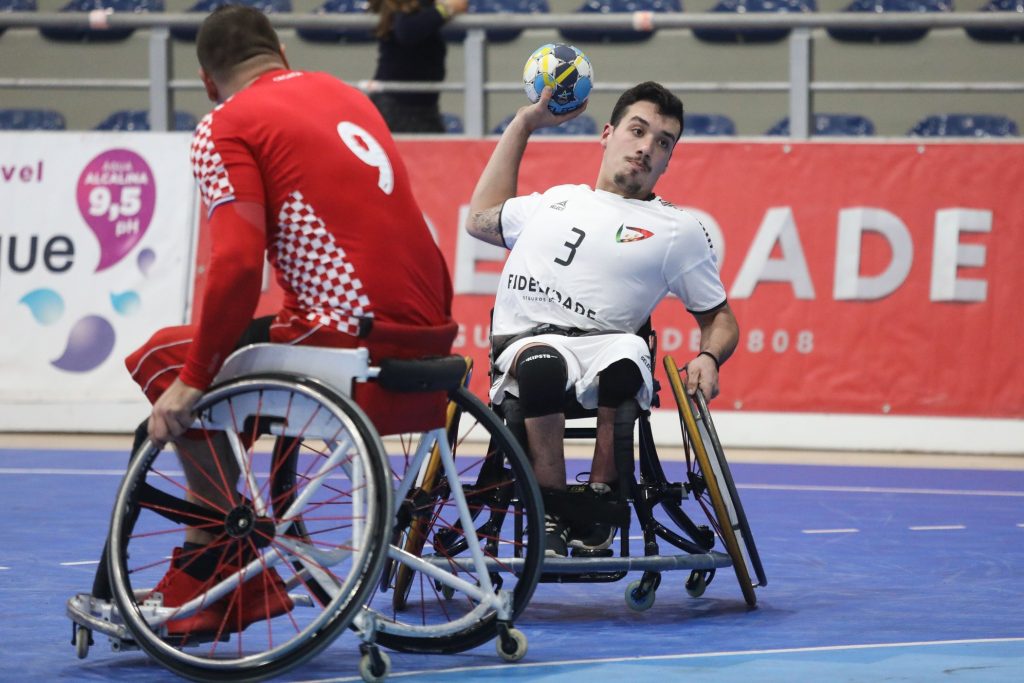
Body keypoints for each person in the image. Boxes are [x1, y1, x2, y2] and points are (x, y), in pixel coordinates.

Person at [115, 4, 455, 634]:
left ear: (207, 82)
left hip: (351, 333)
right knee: (215, 365)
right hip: (434, 333)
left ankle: (221, 561)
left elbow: (239, 266)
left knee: (166, 360)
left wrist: (192, 378)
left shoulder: (226, 122)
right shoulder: (347, 95)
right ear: (281, 55)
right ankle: (209, 551)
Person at [466, 82, 739, 557]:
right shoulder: (553, 201)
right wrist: (524, 123)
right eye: (638, 131)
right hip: (527, 348)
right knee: (542, 364)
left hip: (609, 346)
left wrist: (710, 357)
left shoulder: (680, 230)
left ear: (668, 160)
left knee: (628, 362)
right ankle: (550, 509)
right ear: (608, 134)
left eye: (663, 142)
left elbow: (720, 319)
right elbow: (480, 217)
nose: (646, 147)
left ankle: (600, 506)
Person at [368, 0, 467, 133]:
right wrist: (446, 10)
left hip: (415, 105)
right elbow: (407, 31)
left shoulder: (419, 7)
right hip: (400, 105)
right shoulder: (404, 9)